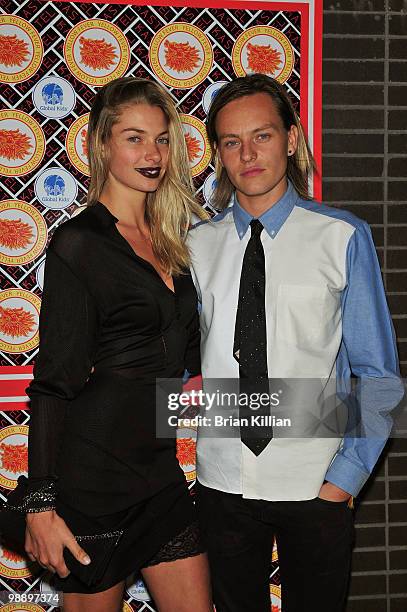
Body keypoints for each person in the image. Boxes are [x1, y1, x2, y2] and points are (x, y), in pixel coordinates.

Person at [187, 74, 403, 612]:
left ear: (291, 139)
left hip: (316, 481)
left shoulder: (341, 236)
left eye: (261, 135)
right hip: (222, 483)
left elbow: (377, 373)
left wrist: (344, 480)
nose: (248, 153)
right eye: (232, 142)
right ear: (219, 153)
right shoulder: (196, 245)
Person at [21, 77, 212, 611]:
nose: (152, 153)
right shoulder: (79, 244)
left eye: (161, 138)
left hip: (160, 477)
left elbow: (187, 372)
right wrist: (41, 505)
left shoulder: (173, 240)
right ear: (102, 144)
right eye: (134, 138)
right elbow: (54, 384)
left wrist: (311, 415)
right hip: (92, 486)